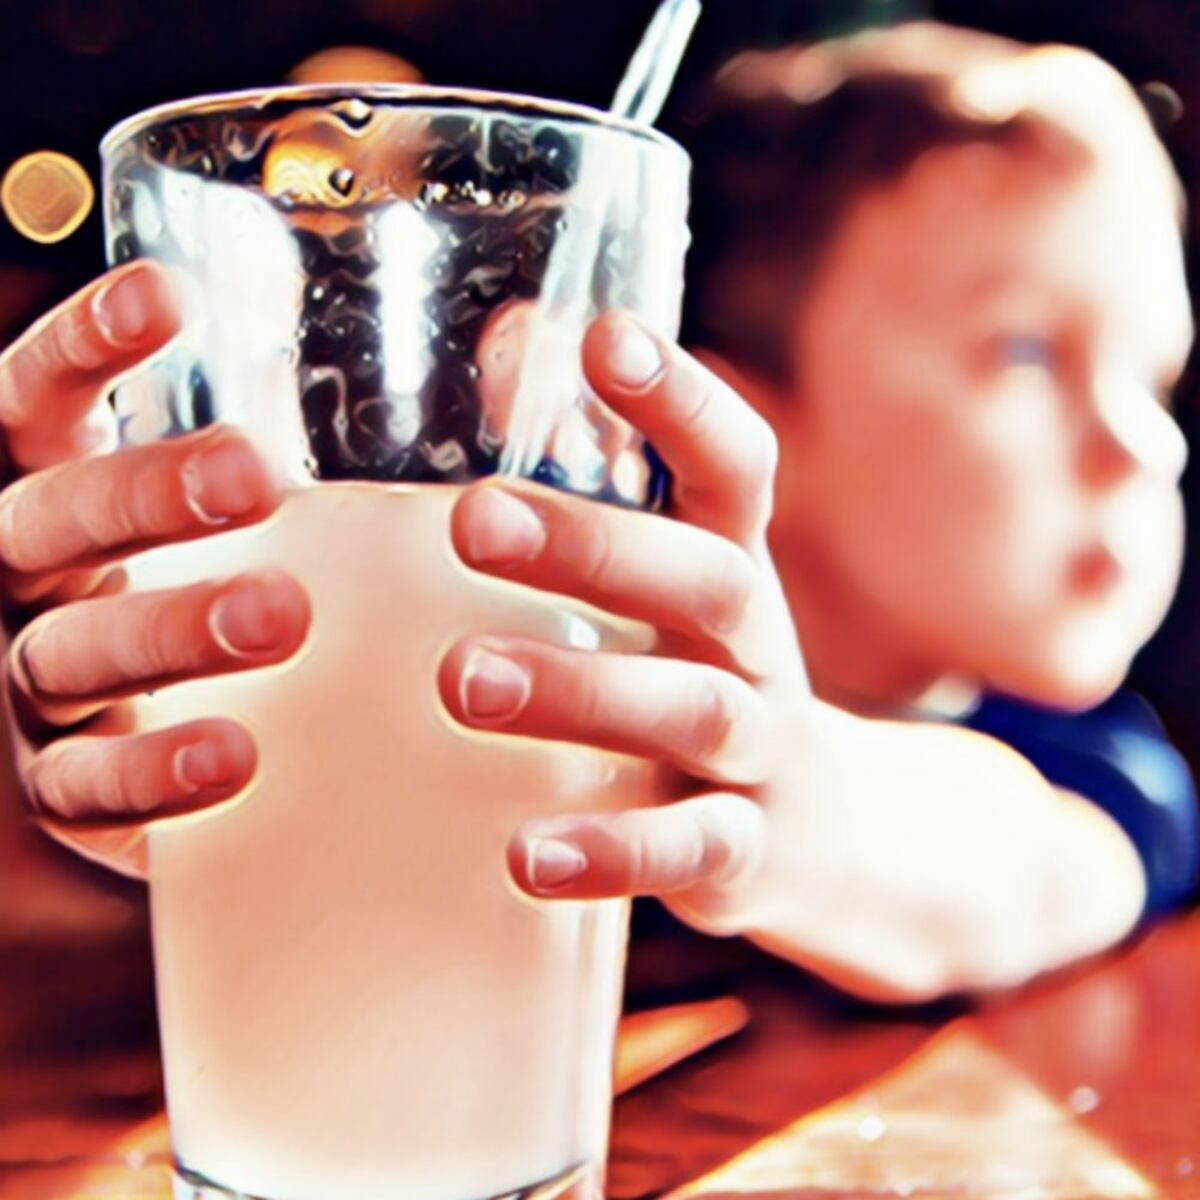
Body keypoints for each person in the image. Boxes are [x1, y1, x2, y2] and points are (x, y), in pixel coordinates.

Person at [0, 21, 1192, 1005]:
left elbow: (1036, 871)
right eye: (1027, 351)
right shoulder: (499, 654)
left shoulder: (1087, 760)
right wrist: (127, 717)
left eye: (1159, 377)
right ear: (711, 408)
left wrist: (783, 804)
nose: (1146, 443)